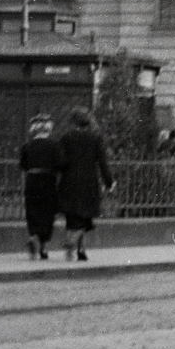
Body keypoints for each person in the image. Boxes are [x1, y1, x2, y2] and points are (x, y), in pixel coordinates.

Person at [57, 106, 116, 261]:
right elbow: (102, 163)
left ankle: (79, 250)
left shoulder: (66, 138)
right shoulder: (95, 139)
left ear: (73, 121)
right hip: (88, 182)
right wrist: (109, 182)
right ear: (87, 121)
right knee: (85, 217)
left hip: (69, 181)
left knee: (72, 217)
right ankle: (73, 242)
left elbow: (60, 161)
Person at [19, 113, 64, 260]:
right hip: (48, 181)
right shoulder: (54, 145)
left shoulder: (27, 146)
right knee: (47, 213)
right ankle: (43, 246)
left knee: (32, 211)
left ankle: (33, 236)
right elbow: (59, 165)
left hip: (32, 180)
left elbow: (23, 166)